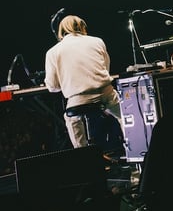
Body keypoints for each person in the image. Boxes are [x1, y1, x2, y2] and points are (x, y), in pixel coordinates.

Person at [44, 14, 124, 150]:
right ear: (82, 27)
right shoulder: (97, 41)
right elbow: (105, 69)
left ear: (61, 30)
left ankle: (83, 155)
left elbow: (53, 87)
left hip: (79, 99)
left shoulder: (53, 52)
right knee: (125, 115)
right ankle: (136, 148)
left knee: (72, 120)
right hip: (106, 93)